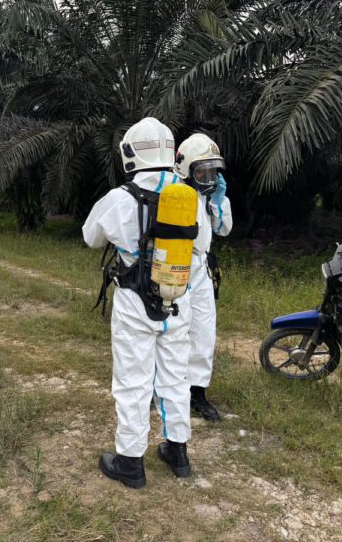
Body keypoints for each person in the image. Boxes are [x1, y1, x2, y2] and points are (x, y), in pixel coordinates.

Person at [82, 117, 196, 489]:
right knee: (176, 376)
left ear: (131, 153)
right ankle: (177, 452)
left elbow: (91, 238)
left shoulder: (120, 197)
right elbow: (203, 244)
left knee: (133, 381)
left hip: (134, 300)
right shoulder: (187, 195)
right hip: (177, 296)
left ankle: (130, 462)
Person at [174, 133, 232, 421]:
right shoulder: (172, 192)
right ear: (186, 169)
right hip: (175, 264)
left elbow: (223, 229)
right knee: (171, 329)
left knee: (203, 329)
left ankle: (197, 393)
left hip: (201, 267)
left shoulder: (208, 197)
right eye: (202, 171)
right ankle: (163, 388)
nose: (208, 178)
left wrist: (219, 202)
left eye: (212, 171)